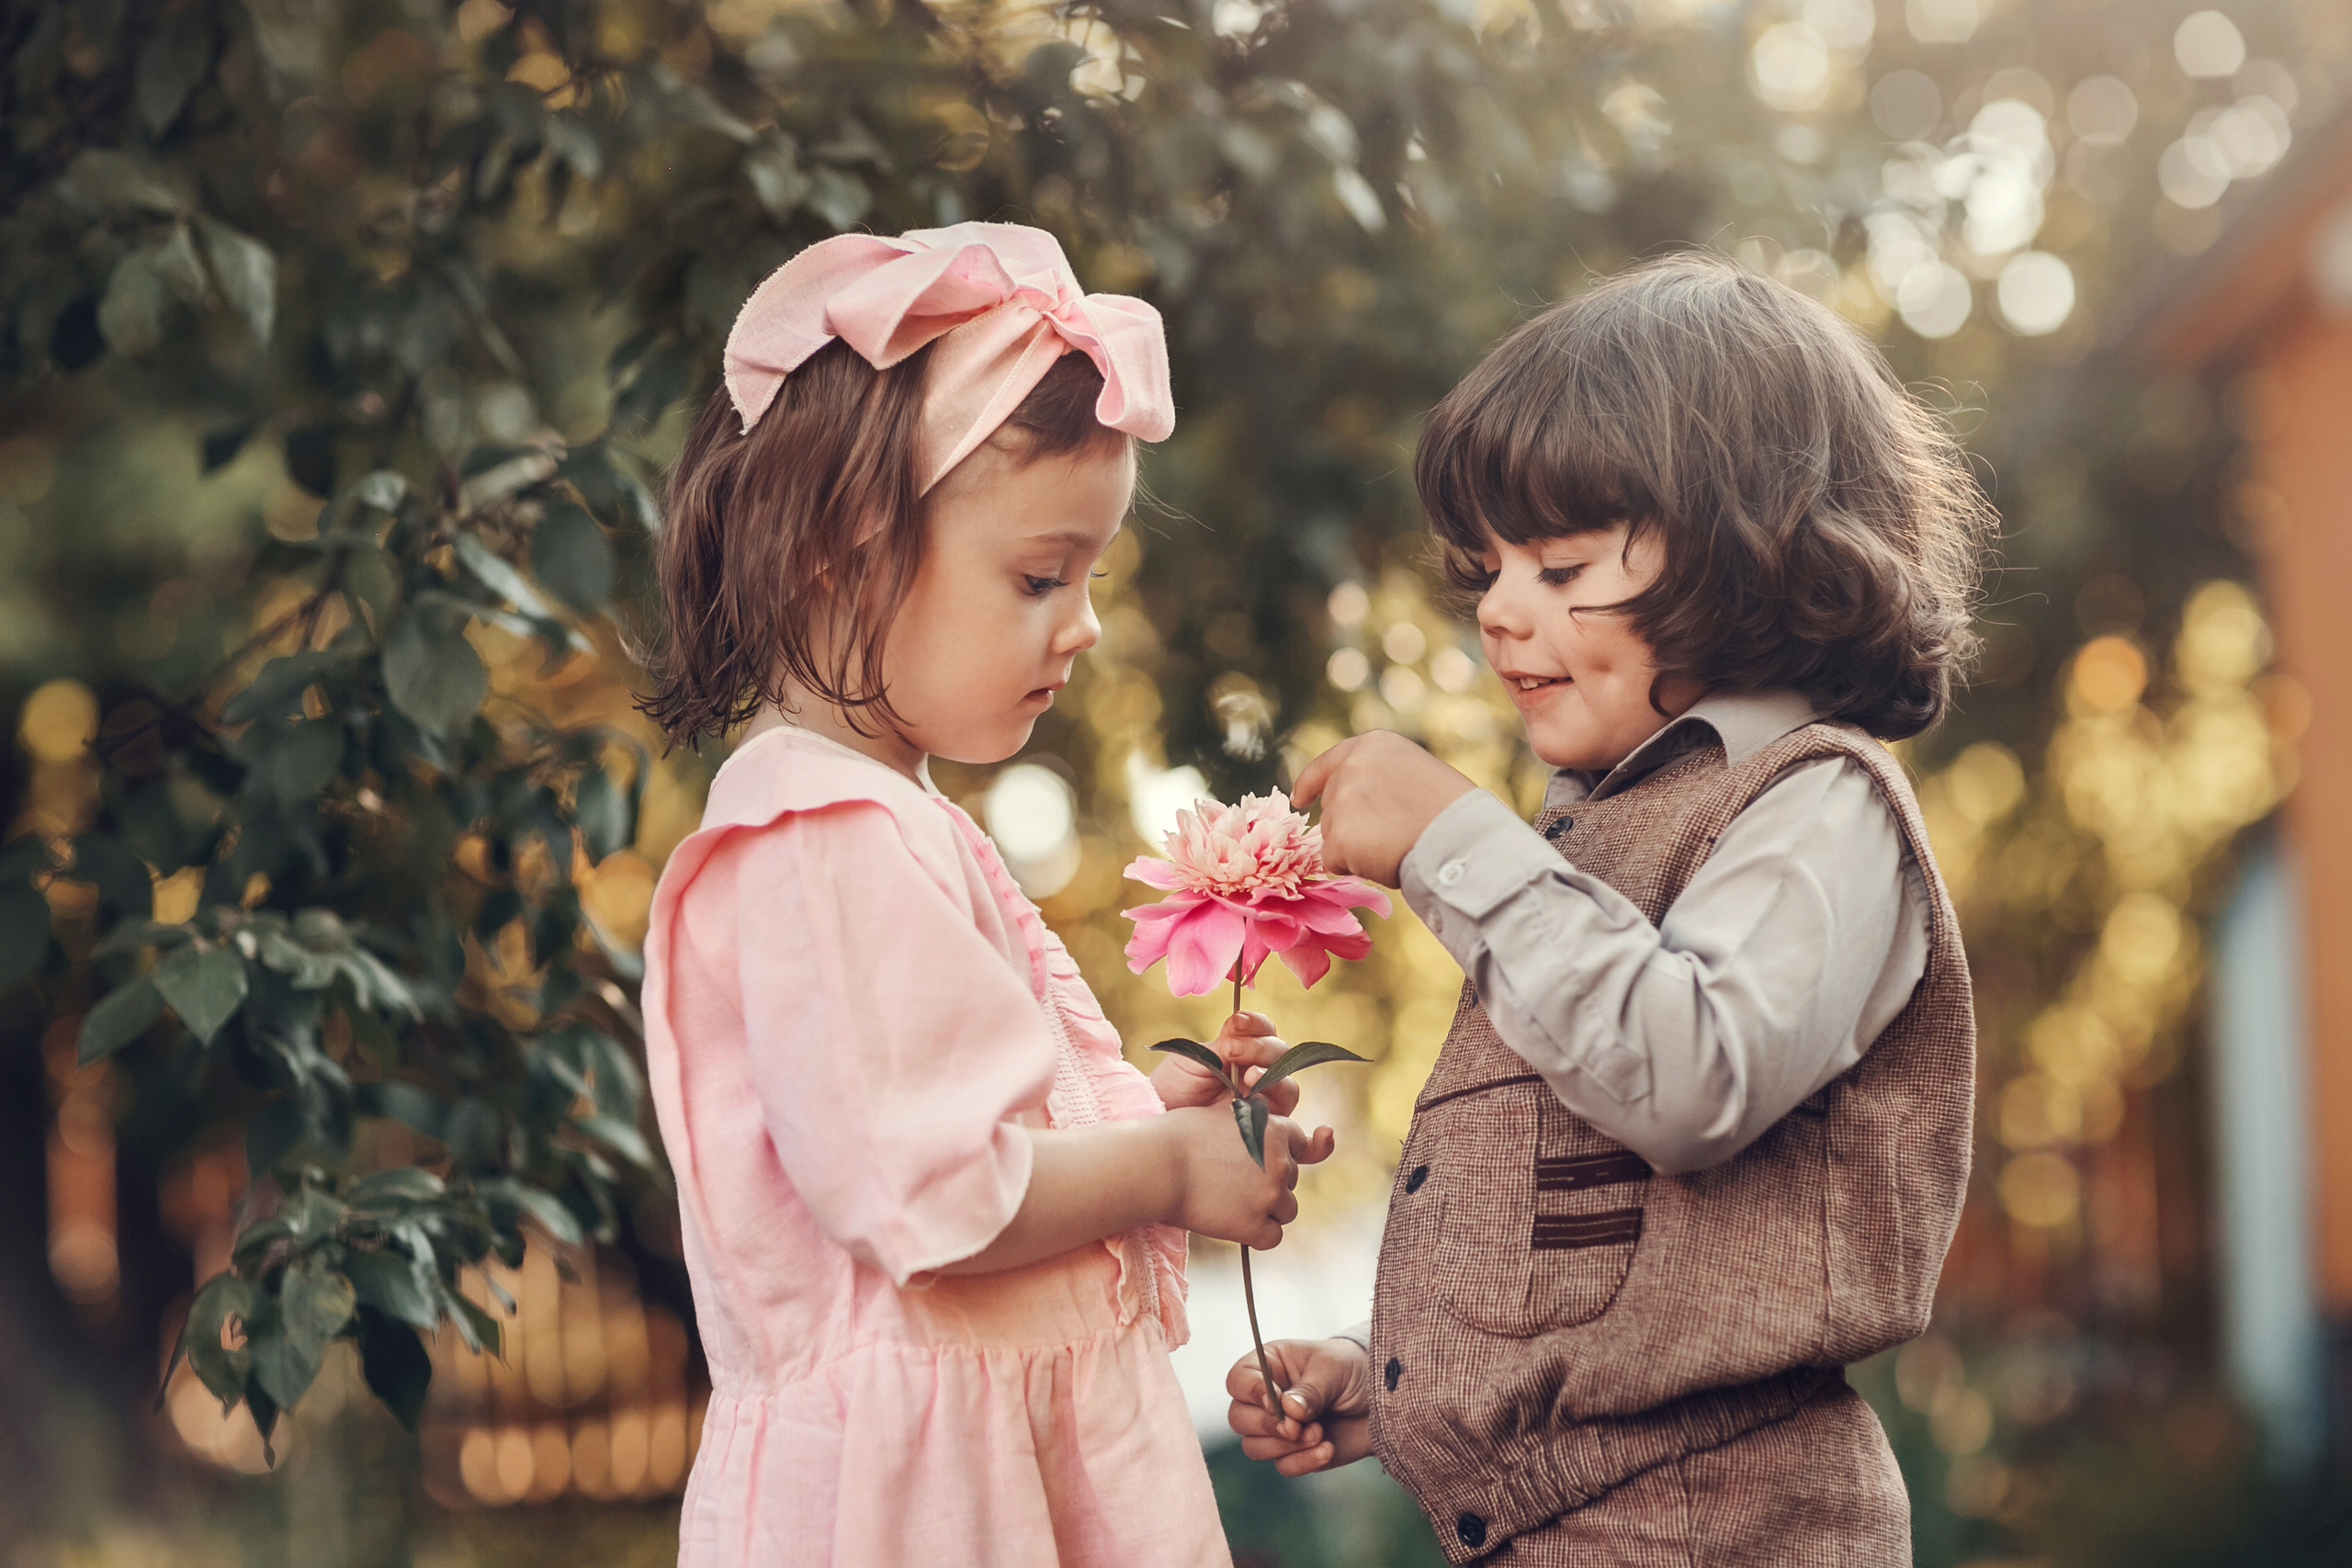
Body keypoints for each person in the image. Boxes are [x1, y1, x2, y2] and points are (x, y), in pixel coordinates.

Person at [1226, 254, 1993, 1565]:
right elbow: (1588, 1237)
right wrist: (1398, 1380)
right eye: (1486, 569)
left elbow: (1687, 1078)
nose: (1499, 611)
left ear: (1754, 554)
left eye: (1561, 565)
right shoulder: (1591, 833)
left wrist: (1454, 842)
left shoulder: (1820, 805)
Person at [638, 222, 1334, 1568]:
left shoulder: (890, 823)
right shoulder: (821, 833)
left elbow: (963, 1132)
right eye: (1037, 576)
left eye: (1090, 577)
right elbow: (930, 1194)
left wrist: (1150, 1132)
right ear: (839, 554)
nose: (1079, 625)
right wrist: (1165, 1169)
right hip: (930, 1516)